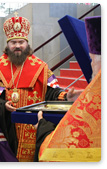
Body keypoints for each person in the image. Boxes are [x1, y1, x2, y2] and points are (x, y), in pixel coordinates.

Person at [0, 14, 81, 162]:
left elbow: (52, 92)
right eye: (13, 42)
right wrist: (4, 105)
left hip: (35, 127)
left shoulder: (40, 67)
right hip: (9, 128)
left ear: (27, 43)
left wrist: (66, 96)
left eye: (21, 42)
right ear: (7, 45)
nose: (17, 46)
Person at [35, 16, 101, 162]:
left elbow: (54, 153)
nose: (91, 65)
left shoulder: (40, 67)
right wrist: (65, 97)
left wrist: (42, 127)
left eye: (92, 60)